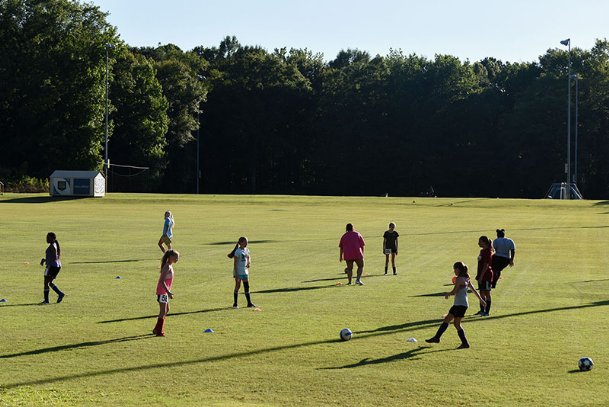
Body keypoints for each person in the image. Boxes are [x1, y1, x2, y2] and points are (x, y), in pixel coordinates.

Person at [425, 262, 485, 349]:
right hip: (463, 304)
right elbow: (474, 290)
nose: (454, 271)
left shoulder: (459, 279)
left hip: (459, 304)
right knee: (453, 322)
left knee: (452, 322)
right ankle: (462, 343)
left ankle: (438, 338)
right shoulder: (466, 278)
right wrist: (481, 299)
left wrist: (448, 294)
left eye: (454, 269)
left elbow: (455, 291)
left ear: (458, 269)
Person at [153, 249, 179, 337]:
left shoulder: (170, 266)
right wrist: (168, 292)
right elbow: (161, 281)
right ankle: (159, 331)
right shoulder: (167, 266)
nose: (177, 259)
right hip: (162, 291)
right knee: (163, 311)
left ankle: (156, 329)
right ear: (170, 257)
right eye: (176, 257)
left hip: (165, 292)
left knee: (166, 310)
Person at [228, 237, 256, 308]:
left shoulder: (246, 250)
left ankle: (249, 303)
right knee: (238, 286)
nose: (247, 243)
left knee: (247, 286)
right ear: (241, 243)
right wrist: (236, 273)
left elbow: (248, 256)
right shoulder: (237, 251)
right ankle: (235, 304)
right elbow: (235, 263)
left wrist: (249, 262)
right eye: (246, 242)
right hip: (239, 272)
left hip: (245, 271)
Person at [40, 232, 64, 304]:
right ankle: (60, 294)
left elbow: (54, 257)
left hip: (52, 266)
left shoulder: (53, 246)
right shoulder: (54, 244)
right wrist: (45, 260)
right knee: (49, 282)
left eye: (48, 238)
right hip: (56, 266)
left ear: (53, 239)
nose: (46, 239)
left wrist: (46, 261)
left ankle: (46, 301)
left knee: (46, 283)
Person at [475, 236, 494, 316]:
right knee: (481, 293)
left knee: (487, 293)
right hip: (481, 275)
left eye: (480, 241)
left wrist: (481, 277)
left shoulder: (487, 252)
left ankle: (487, 312)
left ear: (484, 242)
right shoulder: (482, 251)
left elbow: (486, 265)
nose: (478, 243)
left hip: (486, 276)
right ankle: (482, 310)